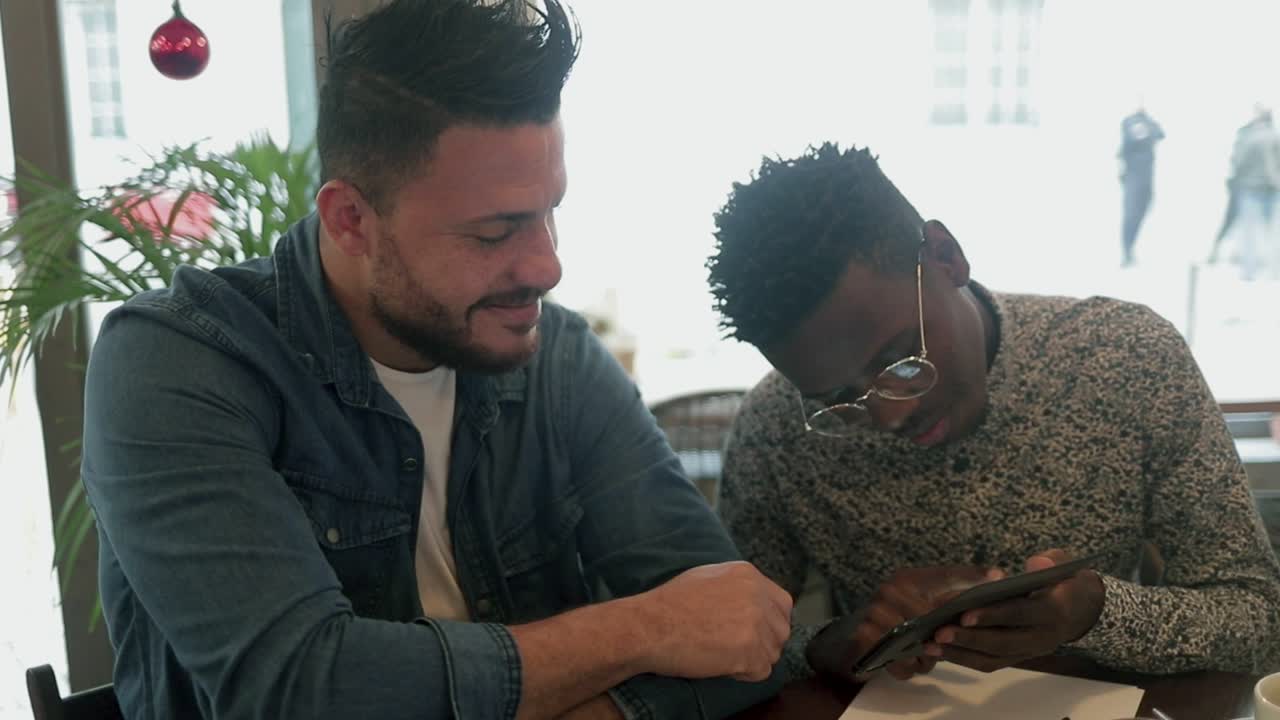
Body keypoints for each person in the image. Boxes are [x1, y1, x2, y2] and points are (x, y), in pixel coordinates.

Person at [81, 2, 792, 718]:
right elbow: (298, 690)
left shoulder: (556, 360)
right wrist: (650, 629)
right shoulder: (178, 362)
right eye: (494, 233)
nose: (547, 266)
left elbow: (743, 624)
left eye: (551, 212)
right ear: (351, 221)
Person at [706, 143, 1280, 683]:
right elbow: (726, 661)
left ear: (946, 257)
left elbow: (1258, 618)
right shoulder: (774, 430)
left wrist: (1097, 613)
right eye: (838, 401)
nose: (887, 417)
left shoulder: (1125, 356)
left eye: (900, 358)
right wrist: (839, 644)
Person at [1220, 105, 1280, 280]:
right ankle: (1271, 271)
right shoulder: (1273, 135)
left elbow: (1238, 161)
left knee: (1250, 234)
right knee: (1269, 233)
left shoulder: (1247, 136)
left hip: (1252, 188)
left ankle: (1250, 271)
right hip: (1266, 189)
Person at [1117, 107, 1164, 267]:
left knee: (1143, 211)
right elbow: (1131, 139)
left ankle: (1130, 248)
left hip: (1146, 178)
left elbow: (1161, 134)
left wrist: (1148, 121)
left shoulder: (1150, 123)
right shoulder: (1129, 122)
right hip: (1132, 177)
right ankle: (1127, 252)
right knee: (1131, 215)